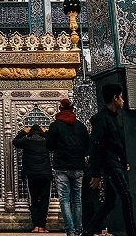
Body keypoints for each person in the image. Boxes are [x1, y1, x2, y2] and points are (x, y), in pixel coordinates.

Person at [86, 84, 136, 236]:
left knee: (109, 203)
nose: (123, 100)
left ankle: (87, 231)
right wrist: (95, 174)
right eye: (121, 97)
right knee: (127, 197)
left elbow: (116, 144)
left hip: (115, 163)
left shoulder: (111, 119)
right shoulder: (102, 119)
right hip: (110, 165)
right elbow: (96, 146)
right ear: (115, 98)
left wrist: (123, 161)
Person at [45, 98, 89, 236]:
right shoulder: (81, 126)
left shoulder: (56, 125)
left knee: (64, 199)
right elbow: (87, 146)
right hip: (78, 166)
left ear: (60, 109)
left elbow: (49, 145)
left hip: (61, 166)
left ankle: (70, 229)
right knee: (77, 199)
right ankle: (78, 229)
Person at [13, 124, 52, 233]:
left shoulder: (27, 141)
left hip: (31, 175)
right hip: (45, 174)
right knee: (44, 200)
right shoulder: (46, 141)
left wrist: (24, 132)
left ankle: (36, 225)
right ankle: (42, 226)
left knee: (33, 200)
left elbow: (15, 141)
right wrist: (45, 133)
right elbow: (54, 142)